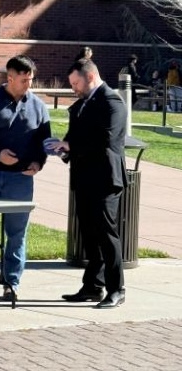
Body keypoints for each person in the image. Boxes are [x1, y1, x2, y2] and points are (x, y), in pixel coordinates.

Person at [0, 55, 51, 301]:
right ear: (10, 77)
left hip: (21, 179)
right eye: (24, 80)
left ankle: (11, 282)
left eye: (31, 80)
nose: (29, 85)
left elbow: (43, 142)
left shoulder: (38, 106)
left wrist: (38, 162)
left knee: (17, 233)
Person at [51, 59, 128, 309]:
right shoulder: (82, 105)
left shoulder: (112, 102)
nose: (73, 88)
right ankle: (93, 286)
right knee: (89, 236)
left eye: (76, 83)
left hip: (105, 180)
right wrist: (64, 150)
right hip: (83, 179)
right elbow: (75, 138)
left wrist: (72, 146)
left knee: (107, 235)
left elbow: (106, 139)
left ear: (90, 77)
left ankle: (117, 289)